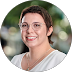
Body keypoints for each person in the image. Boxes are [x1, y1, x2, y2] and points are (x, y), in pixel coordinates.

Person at [11, 5, 66, 71]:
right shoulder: (16, 60)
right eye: (24, 25)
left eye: (36, 25)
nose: (29, 30)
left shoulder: (59, 59)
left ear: (49, 30)